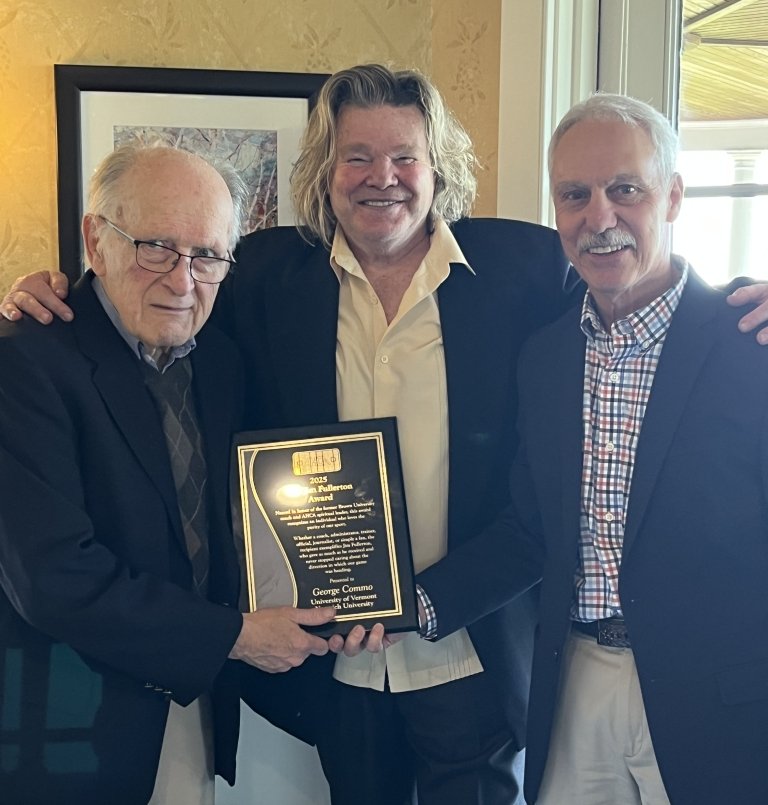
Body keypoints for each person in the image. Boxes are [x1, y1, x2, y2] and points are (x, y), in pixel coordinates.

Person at [3, 66, 768, 805]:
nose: (383, 176)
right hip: (336, 660)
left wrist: (746, 298)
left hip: (474, 648)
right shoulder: (268, 274)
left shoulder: (525, 265)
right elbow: (167, 284)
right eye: (357, 156)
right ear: (325, 171)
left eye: (405, 156)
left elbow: (638, 290)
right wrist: (64, 284)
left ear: (439, 168)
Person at [418, 93, 768, 804]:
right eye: (574, 194)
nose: (598, 217)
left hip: (720, 696)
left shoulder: (750, 342)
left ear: (672, 196)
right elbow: (529, 529)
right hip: (572, 681)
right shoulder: (546, 356)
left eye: (625, 190)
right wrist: (409, 605)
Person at [0, 143, 336, 805]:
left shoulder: (221, 362)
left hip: (192, 708)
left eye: (207, 254)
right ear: (96, 240)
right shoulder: (25, 364)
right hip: (67, 722)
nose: (182, 279)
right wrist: (236, 636)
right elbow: (52, 577)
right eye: (155, 246)